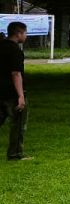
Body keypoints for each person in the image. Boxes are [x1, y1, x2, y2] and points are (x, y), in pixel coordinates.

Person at [1, 21, 29, 160]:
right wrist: (21, 95)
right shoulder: (15, 51)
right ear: (18, 33)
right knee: (18, 123)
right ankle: (15, 153)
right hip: (11, 92)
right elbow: (16, 73)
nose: (26, 36)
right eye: (25, 33)